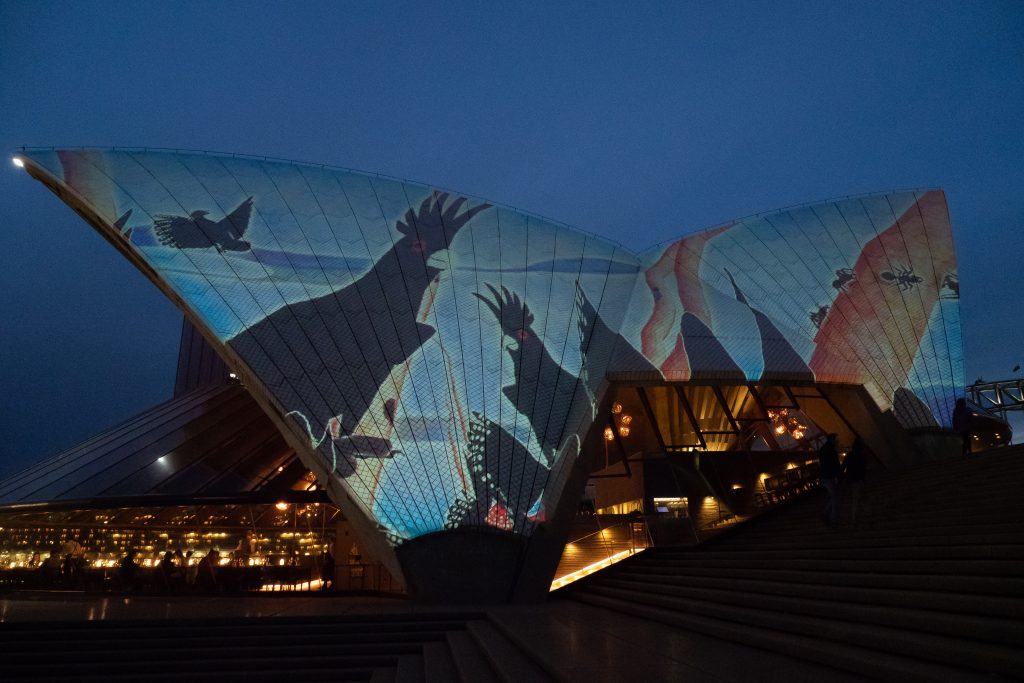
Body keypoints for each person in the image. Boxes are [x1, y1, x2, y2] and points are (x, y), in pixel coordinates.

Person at [842, 437, 868, 528]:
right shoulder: (862, 455)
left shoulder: (849, 455)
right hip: (858, 479)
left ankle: (862, 514)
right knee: (857, 498)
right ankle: (854, 518)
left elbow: (843, 467)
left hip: (850, 479)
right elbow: (863, 469)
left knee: (856, 497)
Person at [818, 433, 841, 526]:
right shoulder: (831, 450)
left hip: (824, 476)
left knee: (834, 496)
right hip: (829, 477)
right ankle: (833, 519)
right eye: (835, 439)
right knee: (835, 497)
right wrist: (836, 476)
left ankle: (826, 514)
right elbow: (834, 464)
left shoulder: (823, 449)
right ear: (832, 439)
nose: (837, 441)